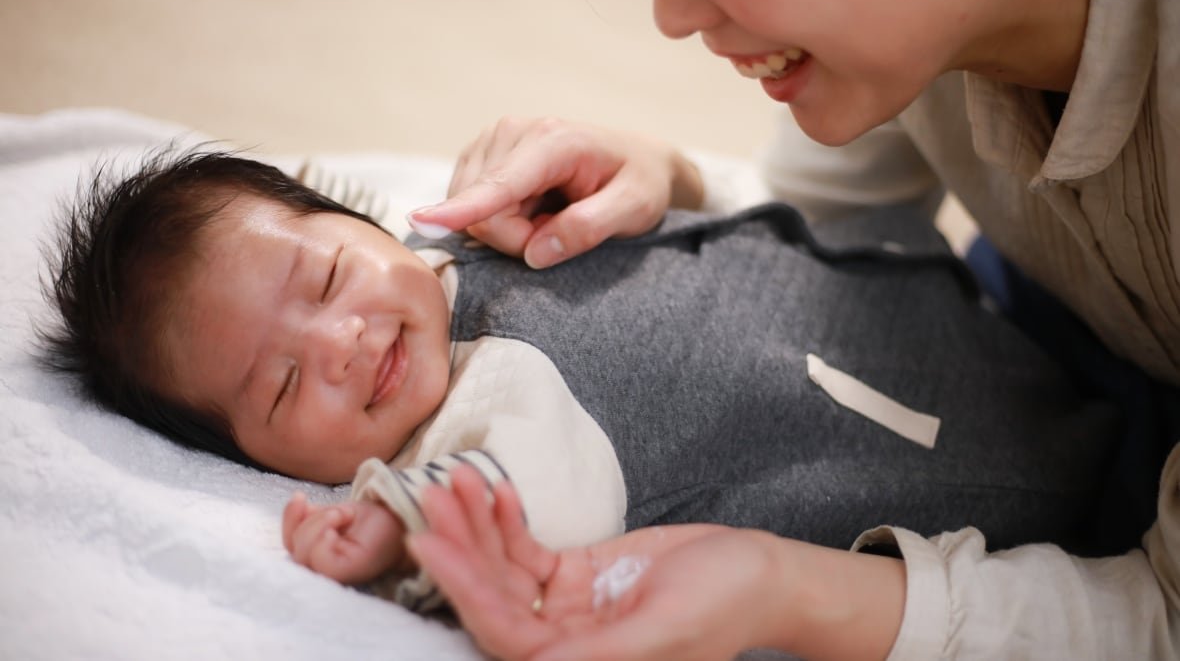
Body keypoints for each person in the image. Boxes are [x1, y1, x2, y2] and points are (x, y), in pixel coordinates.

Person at [398, 0, 1180, 658]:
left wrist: (794, 592)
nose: (669, 15)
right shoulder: (928, 9)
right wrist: (668, 178)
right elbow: (824, 212)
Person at [41, 148, 1111, 617]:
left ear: (362, 220)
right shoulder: (482, 421)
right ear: (267, 460)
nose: (340, 343)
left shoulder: (467, 233)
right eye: (279, 389)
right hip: (1001, 466)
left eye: (323, 274)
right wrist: (395, 536)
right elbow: (510, 508)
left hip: (933, 285)